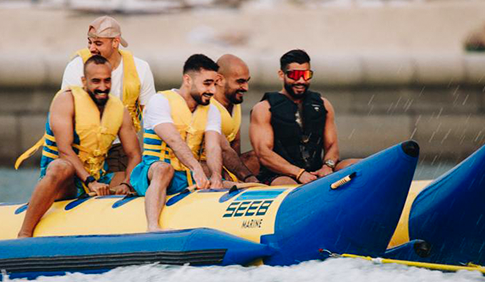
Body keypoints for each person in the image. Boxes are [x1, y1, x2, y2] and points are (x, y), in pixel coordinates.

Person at [16, 55, 142, 238]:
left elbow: (134, 154)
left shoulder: (119, 109)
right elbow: (64, 150)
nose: (102, 87)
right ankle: (24, 233)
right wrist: (90, 182)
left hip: (99, 182)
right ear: (84, 81)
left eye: (107, 81)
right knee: (61, 166)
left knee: (128, 171)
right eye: (96, 81)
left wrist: (126, 183)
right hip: (66, 182)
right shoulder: (66, 101)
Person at [130, 54, 225, 231]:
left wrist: (216, 177)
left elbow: (213, 147)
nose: (212, 90)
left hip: (187, 174)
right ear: (187, 80)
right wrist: (196, 169)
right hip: (152, 171)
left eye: (214, 84)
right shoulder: (160, 101)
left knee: (219, 177)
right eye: (207, 83)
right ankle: (152, 226)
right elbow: (174, 140)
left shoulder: (211, 110)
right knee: (164, 169)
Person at [61, 15, 156, 185]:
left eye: (98, 43)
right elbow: (66, 112)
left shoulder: (141, 68)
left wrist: (153, 159)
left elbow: (150, 115)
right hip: (83, 142)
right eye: (89, 42)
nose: (91, 48)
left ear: (115, 42)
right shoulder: (76, 67)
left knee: (120, 190)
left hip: (121, 143)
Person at [249, 49, 358, 186]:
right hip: (280, 174)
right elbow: (263, 153)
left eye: (306, 75)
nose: (301, 81)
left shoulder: (323, 105)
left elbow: (331, 146)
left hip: (316, 171)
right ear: (281, 75)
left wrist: (327, 166)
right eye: (294, 75)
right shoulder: (264, 109)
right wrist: (299, 173)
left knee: (357, 165)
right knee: (286, 184)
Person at [206, 54, 259, 183]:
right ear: (219, 80)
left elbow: (235, 144)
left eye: (247, 81)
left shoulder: (235, 102)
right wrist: (248, 178)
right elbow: (223, 149)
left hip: (228, 168)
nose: (246, 88)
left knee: (259, 156)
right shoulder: (208, 106)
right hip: (207, 168)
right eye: (240, 81)